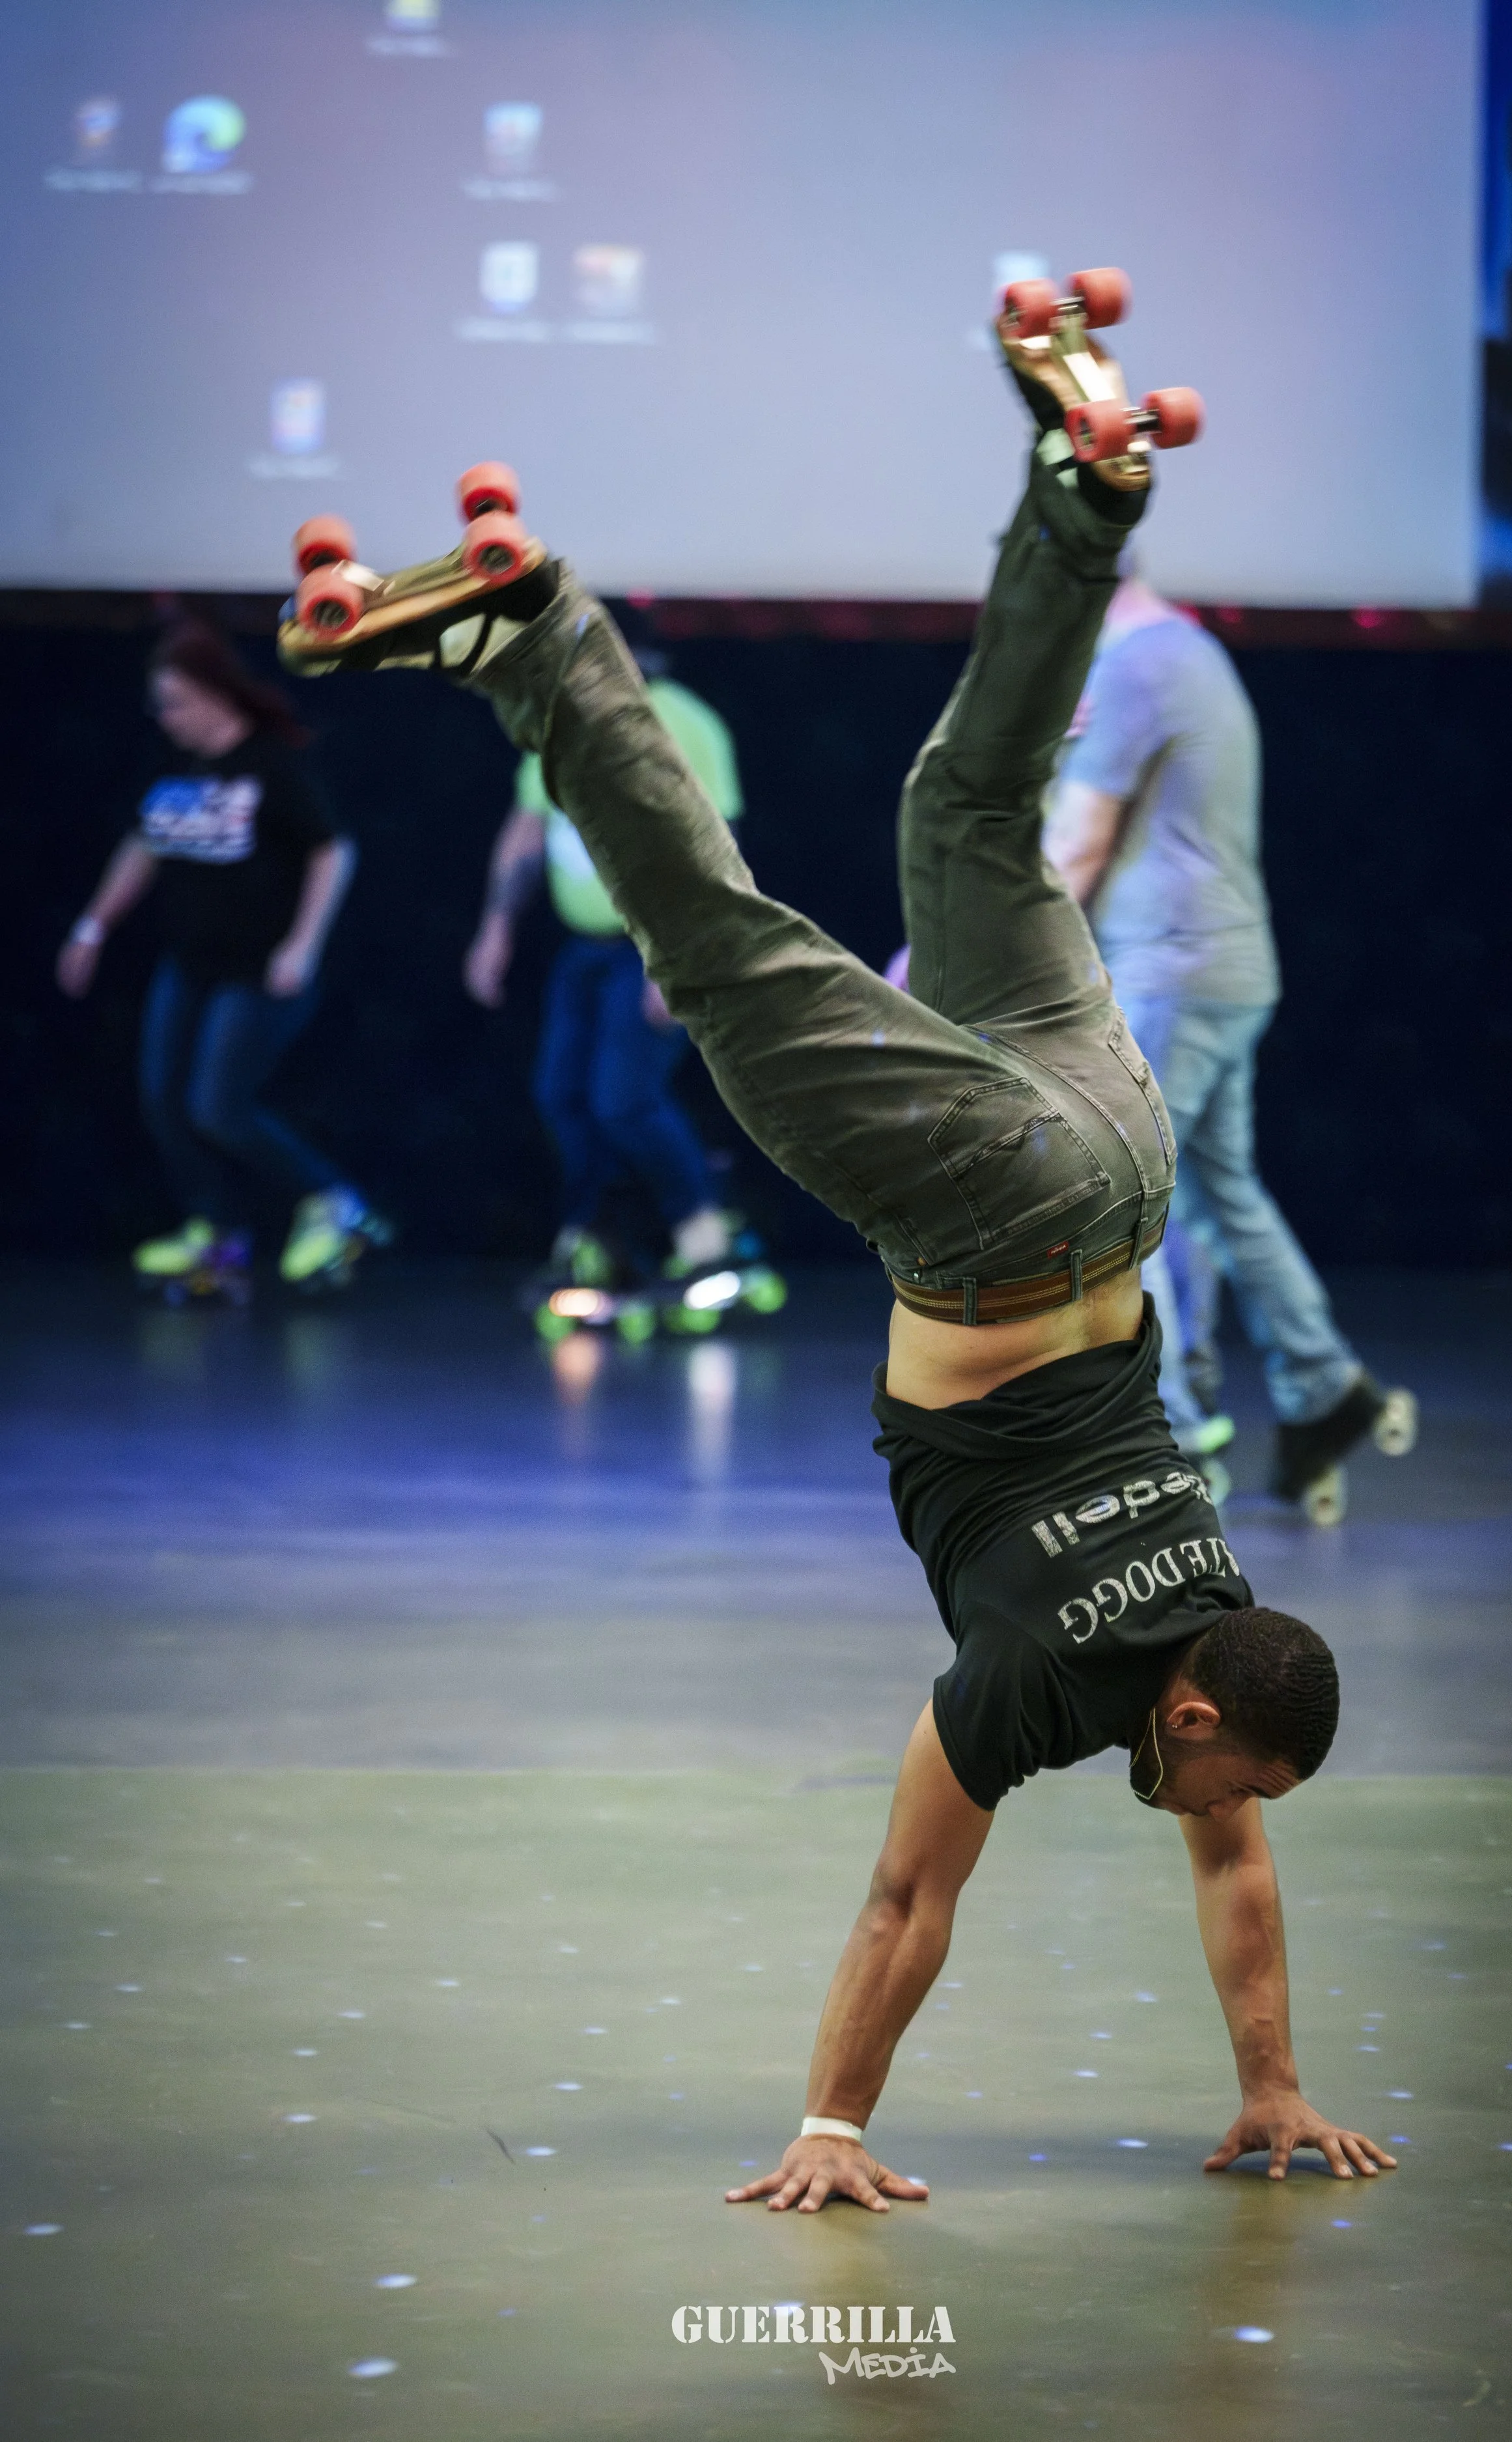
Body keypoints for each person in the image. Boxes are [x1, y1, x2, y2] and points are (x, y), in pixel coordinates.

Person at [278, 275, 1395, 2208]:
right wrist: (829, 2125)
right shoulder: (1044, 1678)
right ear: (1195, 1711)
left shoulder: (1217, 1594)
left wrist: (1277, 2080)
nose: (1225, 1822)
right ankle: (537, 635)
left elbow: (1225, 1849)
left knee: (963, 803)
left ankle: (1079, 495)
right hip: (997, 1226)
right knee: (713, 954)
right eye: (1231, 1781)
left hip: (1107, 1136)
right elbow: (904, 1889)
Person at [1045, 562, 1416, 1523]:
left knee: (1117, 1193)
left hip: (1171, 968)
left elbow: (1075, 844)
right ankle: (1323, 1384)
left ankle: (1167, 1432)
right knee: (1219, 1192)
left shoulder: (1137, 666)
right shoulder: (1192, 653)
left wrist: (956, 950)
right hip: (1227, 966)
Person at [55, 622, 388, 1297]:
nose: (165, 717)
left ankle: (337, 1204)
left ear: (211, 696)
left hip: (261, 970)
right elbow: (142, 846)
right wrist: (93, 927)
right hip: (191, 964)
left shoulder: (271, 765)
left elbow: (334, 851)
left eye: (173, 701)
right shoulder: (177, 767)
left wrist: (302, 945)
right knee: (163, 1101)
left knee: (218, 1107)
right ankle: (217, 1236)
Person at [462, 649, 743, 1290]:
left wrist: (674, 954)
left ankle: (707, 1243)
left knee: (626, 1100)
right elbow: (528, 832)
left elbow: (712, 851)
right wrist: (495, 928)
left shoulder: (683, 724)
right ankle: (595, 1237)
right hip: (585, 945)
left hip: (652, 946)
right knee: (562, 1096)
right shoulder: (557, 721)